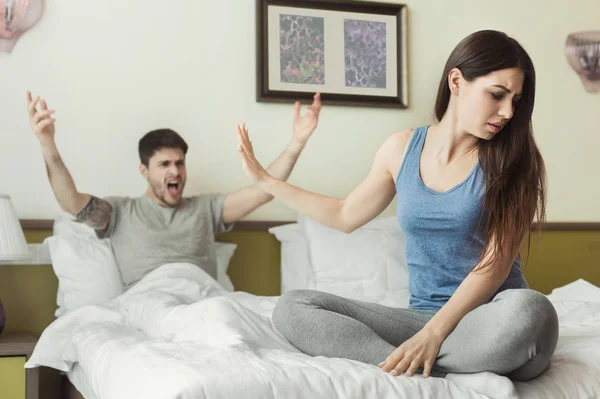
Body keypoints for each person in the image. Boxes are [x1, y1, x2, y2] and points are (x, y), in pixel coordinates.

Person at [235, 30, 559, 381]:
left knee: (531, 311)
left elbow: (493, 268)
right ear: (456, 81)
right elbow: (345, 215)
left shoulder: (516, 161)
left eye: (516, 100)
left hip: (491, 318)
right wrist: (268, 182)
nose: (508, 111)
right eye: (497, 95)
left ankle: (419, 357)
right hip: (419, 319)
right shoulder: (400, 149)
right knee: (293, 307)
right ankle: (409, 362)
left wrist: (434, 335)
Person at [27, 91, 322, 288]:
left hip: (207, 305)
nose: (175, 171)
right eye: (164, 163)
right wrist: (47, 144)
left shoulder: (206, 209)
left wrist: (297, 142)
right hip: (150, 305)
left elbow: (265, 191)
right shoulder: (118, 212)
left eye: (179, 163)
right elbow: (71, 201)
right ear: (144, 170)